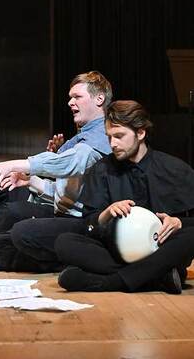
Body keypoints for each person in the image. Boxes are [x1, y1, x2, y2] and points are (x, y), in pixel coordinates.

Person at [0, 71, 112, 272]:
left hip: (69, 216)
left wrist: (19, 164)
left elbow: (72, 165)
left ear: (99, 99)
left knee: (12, 213)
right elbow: (66, 186)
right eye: (70, 97)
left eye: (77, 97)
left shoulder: (103, 134)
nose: (70, 102)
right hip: (55, 202)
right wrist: (29, 180)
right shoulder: (84, 134)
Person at [55, 100, 194, 294]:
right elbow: (88, 225)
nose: (112, 144)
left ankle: (111, 282)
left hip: (163, 248)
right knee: (65, 242)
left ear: (141, 133)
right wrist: (106, 213)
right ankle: (156, 277)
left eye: (119, 136)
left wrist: (179, 222)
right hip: (118, 251)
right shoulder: (101, 169)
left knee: (191, 235)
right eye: (109, 137)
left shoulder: (175, 169)